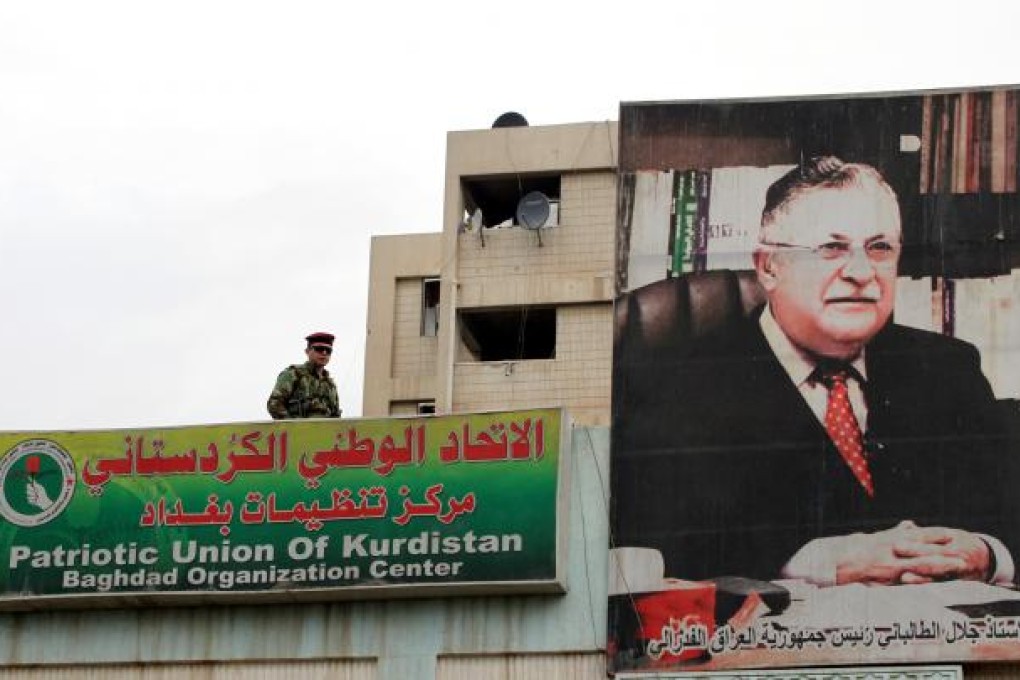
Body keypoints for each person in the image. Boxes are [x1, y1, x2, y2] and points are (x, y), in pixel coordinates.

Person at [612, 157, 1017, 588]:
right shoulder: (679, 387)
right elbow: (653, 548)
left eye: (880, 248)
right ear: (769, 266)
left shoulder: (946, 368)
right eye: (831, 248)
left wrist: (988, 554)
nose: (862, 273)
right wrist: (821, 565)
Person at [267, 332, 342, 419]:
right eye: (319, 349)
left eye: (328, 351)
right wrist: (293, 424)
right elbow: (274, 404)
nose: (324, 353)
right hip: (297, 427)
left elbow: (336, 416)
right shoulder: (294, 374)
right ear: (307, 351)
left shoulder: (330, 385)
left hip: (325, 428)